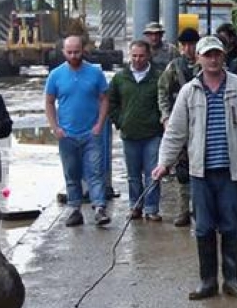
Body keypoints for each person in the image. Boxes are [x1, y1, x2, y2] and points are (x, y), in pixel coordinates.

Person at [153, 36, 237, 299]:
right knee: (203, 227)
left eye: (217, 54)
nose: (213, 59)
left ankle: (232, 280)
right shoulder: (189, 91)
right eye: (208, 55)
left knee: (231, 226)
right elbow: (176, 132)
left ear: (223, 56)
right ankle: (207, 282)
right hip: (200, 173)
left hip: (232, 171)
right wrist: (163, 164)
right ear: (199, 59)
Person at [45, 35, 110, 227]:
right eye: (70, 52)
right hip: (67, 134)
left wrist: (100, 124)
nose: (73, 55)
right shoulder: (55, 75)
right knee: (71, 174)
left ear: (84, 50)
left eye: (77, 52)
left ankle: (99, 208)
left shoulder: (95, 73)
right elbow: (49, 102)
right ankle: (75, 209)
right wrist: (55, 127)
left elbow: (104, 98)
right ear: (63, 52)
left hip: (91, 133)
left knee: (95, 172)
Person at [107, 40, 163, 220]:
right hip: (129, 134)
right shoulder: (120, 78)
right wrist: (120, 121)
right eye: (134, 56)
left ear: (148, 56)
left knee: (153, 173)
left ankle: (152, 208)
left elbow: (165, 103)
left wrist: (160, 124)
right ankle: (135, 206)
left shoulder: (158, 78)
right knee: (133, 175)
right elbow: (111, 102)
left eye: (141, 56)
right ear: (129, 56)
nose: (137, 59)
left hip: (152, 134)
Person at [157, 27, 202, 227]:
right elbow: (163, 93)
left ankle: (201, 210)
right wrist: (166, 118)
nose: (187, 49)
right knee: (182, 171)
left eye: (191, 45)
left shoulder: (206, 66)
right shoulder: (174, 67)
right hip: (181, 123)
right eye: (184, 45)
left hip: (203, 125)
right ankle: (183, 210)